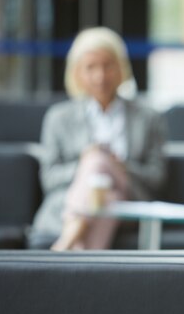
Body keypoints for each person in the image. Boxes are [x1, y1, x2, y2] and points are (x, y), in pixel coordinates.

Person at [31, 27, 166, 250]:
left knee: (99, 161)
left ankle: (65, 245)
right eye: (90, 67)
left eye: (108, 65)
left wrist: (118, 166)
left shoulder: (148, 118)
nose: (100, 76)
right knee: (100, 180)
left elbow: (157, 177)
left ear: (121, 68)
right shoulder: (58, 118)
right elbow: (49, 178)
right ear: (76, 73)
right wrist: (84, 164)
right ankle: (79, 258)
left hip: (129, 201)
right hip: (85, 205)